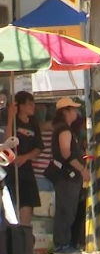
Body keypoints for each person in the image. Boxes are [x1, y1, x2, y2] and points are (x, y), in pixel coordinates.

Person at [51, 97, 89, 254]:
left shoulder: (64, 129)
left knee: (68, 209)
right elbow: (66, 152)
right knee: (66, 210)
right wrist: (82, 169)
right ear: (65, 111)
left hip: (68, 176)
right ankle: (62, 245)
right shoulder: (64, 130)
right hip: (67, 176)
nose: (75, 112)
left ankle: (65, 243)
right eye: (72, 109)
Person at [8, 92, 44, 227]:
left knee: (28, 205)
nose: (33, 106)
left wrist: (25, 157)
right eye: (30, 104)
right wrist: (11, 117)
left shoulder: (34, 125)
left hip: (27, 169)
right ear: (21, 106)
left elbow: (39, 147)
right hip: (12, 168)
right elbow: (7, 140)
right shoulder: (14, 122)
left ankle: (25, 236)